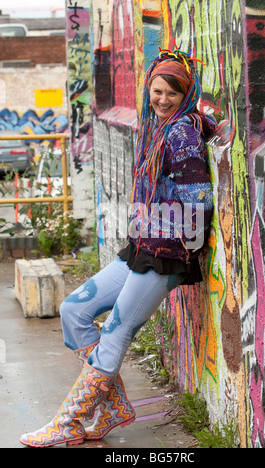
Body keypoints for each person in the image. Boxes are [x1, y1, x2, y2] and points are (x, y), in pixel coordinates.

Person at [19, 47, 217, 448]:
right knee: (74, 308)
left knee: (115, 331)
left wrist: (172, 236)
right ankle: (110, 406)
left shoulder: (181, 132)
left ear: (185, 95)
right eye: (157, 91)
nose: (163, 100)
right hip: (142, 246)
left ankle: (70, 421)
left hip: (166, 254)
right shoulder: (154, 126)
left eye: (172, 95)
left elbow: (200, 200)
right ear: (149, 89)